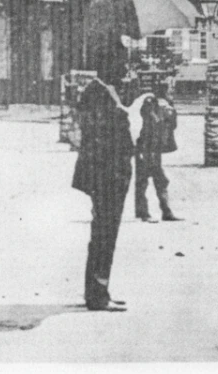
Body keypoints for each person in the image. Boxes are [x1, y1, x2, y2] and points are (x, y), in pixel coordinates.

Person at [71, 47, 136, 312]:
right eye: (122, 65)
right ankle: (97, 295)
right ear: (109, 66)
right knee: (104, 232)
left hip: (110, 171)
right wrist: (122, 115)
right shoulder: (97, 93)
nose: (126, 71)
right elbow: (98, 133)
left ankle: (98, 289)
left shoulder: (104, 92)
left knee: (105, 231)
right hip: (105, 173)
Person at [134, 89, 180, 222]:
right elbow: (149, 125)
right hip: (145, 148)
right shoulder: (149, 105)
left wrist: (170, 112)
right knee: (145, 181)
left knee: (159, 180)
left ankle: (164, 212)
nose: (170, 94)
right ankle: (145, 213)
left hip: (154, 149)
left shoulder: (165, 107)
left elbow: (171, 126)